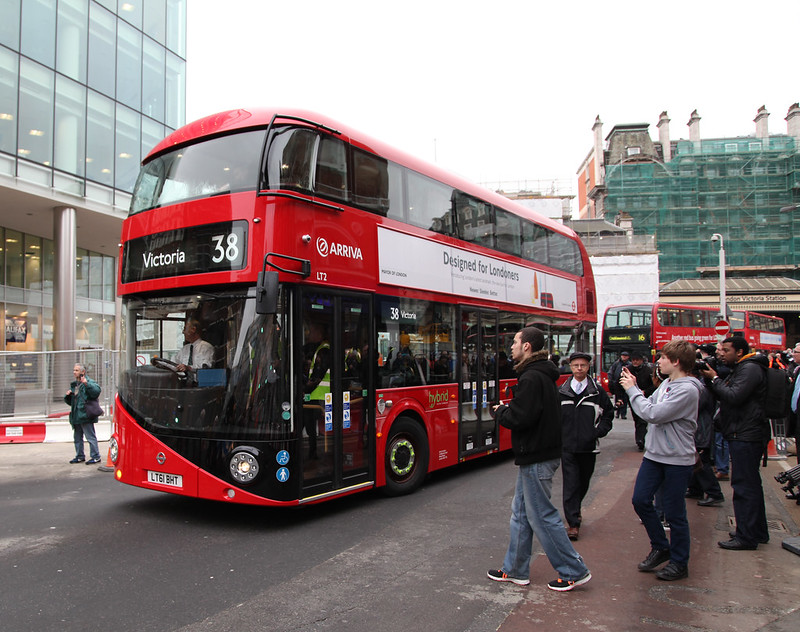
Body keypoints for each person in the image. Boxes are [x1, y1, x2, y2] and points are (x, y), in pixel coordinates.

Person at [487, 326, 591, 591]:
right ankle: (515, 569)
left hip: (536, 456)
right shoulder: (541, 374)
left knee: (542, 516)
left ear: (527, 347)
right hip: (536, 455)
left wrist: (501, 412)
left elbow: (522, 417)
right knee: (521, 514)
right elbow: (533, 412)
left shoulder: (531, 378)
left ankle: (573, 570)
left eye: (514, 341)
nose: (510, 346)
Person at [621, 339, 702, 581]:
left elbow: (653, 414)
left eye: (663, 358)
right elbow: (648, 407)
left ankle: (679, 562)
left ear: (676, 362)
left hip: (677, 459)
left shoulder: (688, 389)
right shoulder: (667, 383)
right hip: (654, 455)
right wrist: (637, 393)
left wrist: (632, 390)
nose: (659, 362)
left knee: (675, 513)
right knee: (640, 500)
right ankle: (660, 546)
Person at [701, 336, 770, 550]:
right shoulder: (743, 368)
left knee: (743, 487)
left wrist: (714, 379)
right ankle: (755, 531)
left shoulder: (749, 369)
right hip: (744, 432)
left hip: (746, 434)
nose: (720, 353)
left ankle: (746, 537)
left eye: (725, 350)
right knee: (751, 485)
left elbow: (733, 396)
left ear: (739, 352)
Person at [558, 351, 614, 540]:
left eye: (583, 365)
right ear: (571, 367)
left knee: (583, 482)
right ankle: (573, 522)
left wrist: (597, 432)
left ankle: (576, 508)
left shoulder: (597, 392)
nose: (579, 369)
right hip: (567, 447)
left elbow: (608, 416)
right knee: (570, 484)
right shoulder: (561, 391)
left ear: (588, 367)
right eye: (576, 366)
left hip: (588, 447)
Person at [64, 363, 102, 465]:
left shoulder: (89, 382)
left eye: (76, 370)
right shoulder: (75, 385)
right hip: (76, 415)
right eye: (74, 370)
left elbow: (96, 392)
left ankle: (95, 456)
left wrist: (87, 384)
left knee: (90, 436)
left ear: (82, 372)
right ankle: (80, 455)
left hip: (85, 415)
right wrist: (68, 396)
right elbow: (72, 402)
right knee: (77, 437)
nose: (74, 372)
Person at [628, 352, 656, 450]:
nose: (635, 362)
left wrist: (645, 391)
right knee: (637, 418)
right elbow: (620, 383)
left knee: (642, 420)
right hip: (632, 397)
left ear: (641, 361)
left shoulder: (647, 370)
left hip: (646, 398)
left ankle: (640, 439)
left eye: (637, 360)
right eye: (633, 360)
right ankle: (640, 437)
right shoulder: (628, 370)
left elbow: (653, 385)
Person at [608, 351, 631, 419]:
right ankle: (618, 412)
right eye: (623, 355)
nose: (624, 357)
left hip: (626, 383)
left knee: (625, 399)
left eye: (625, 356)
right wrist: (611, 381)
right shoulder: (616, 364)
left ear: (628, 357)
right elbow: (611, 372)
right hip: (617, 384)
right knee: (618, 399)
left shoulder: (629, 365)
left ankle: (623, 414)